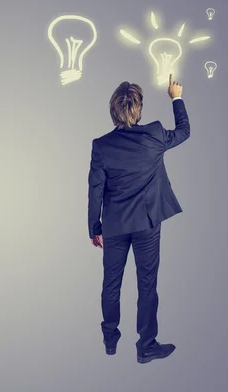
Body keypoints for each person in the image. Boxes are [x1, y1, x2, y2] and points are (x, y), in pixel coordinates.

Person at [87, 74, 189, 364]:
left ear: (113, 110)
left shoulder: (101, 146)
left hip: (115, 227)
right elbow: (184, 131)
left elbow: (95, 190)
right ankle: (146, 346)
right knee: (147, 285)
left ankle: (109, 339)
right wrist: (176, 97)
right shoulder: (155, 135)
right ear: (139, 108)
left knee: (111, 283)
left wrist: (95, 227)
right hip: (146, 224)